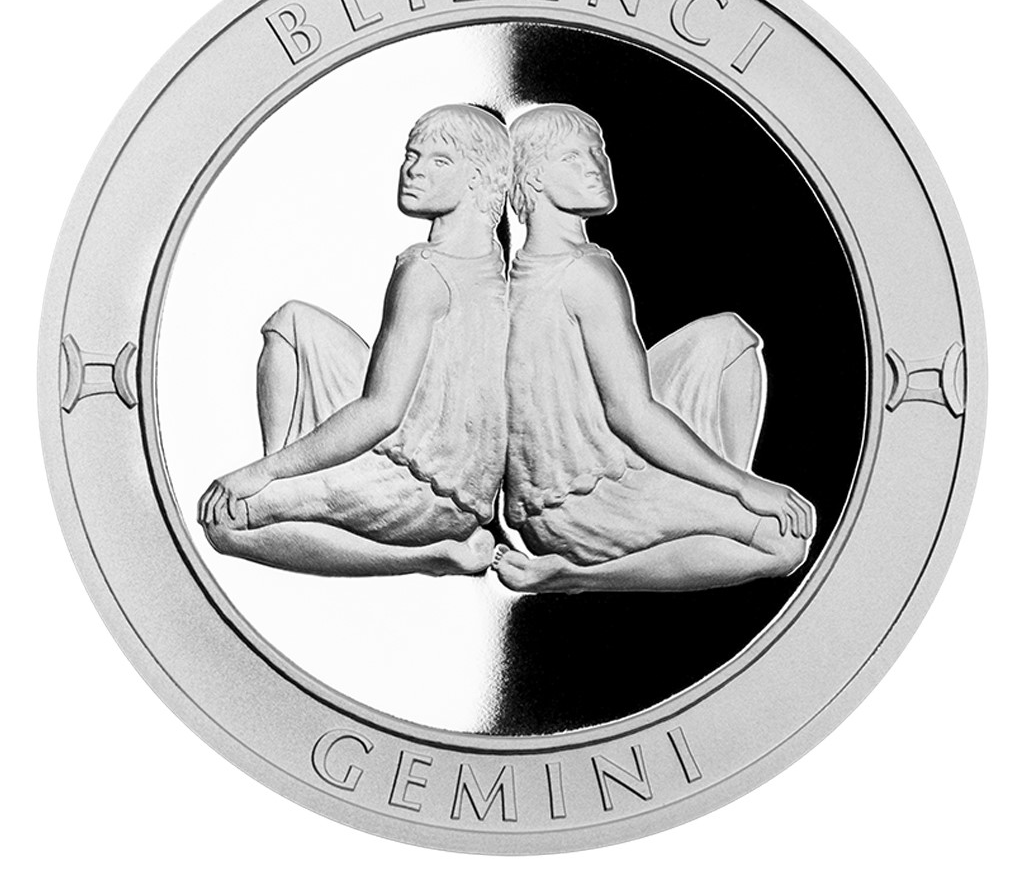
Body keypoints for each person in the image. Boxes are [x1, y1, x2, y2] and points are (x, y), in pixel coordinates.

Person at [495, 103, 815, 593]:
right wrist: (744, 488)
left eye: (597, 152)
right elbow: (630, 413)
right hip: (584, 503)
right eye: (572, 158)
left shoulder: (529, 268)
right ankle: (575, 577)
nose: (595, 166)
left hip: (569, 472)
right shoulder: (586, 275)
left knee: (728, 336)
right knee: (783, 543)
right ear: (534, 178)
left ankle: (715, 493)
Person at [198, 104, 510, 577]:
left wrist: (263, 474)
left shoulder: (425, 272)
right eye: (412, 155)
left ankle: (432, 558)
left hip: (422, 490)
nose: (413, 170)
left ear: (477, 180)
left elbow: (381, 412)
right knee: (291, 321)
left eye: (439, 161)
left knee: (224, 522)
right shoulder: (489, 256)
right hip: (449, 463)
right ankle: (289, 476)